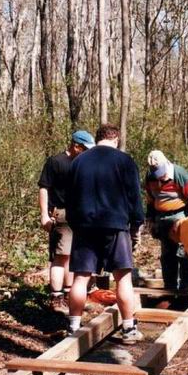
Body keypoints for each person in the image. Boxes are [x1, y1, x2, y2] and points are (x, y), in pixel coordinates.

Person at [65, 124, 145, 344]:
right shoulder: (124, 161)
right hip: (115, 225)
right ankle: (129, 329)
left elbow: (69, 198)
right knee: (123, 277)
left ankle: (73, 327)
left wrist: (75, 223)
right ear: (116, 140)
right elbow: (134, 197)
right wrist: (137, 223)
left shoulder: (78, 161)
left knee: (81, 278)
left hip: (84, 225)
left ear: (97, 138)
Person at [38, 130, 95, 314]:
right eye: (84, 148)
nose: (87, 152)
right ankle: (56, 298)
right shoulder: (56, 162)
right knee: (60, 256)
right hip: (61, 214)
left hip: (80, 215)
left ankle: (71, 297)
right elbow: (44, 188)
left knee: (74, 256)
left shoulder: (84, 164)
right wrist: (44, 215)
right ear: (76, 145)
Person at [145, 150, 188, 290]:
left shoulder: (179, 174)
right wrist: (151, 219)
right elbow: (150, 199)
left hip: (181, 216)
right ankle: (169, 287)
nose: (160, 177)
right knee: (167, 255)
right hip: (162, 218)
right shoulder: (150, 176)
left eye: (162, 173)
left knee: (184, 254)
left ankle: (186, 287)